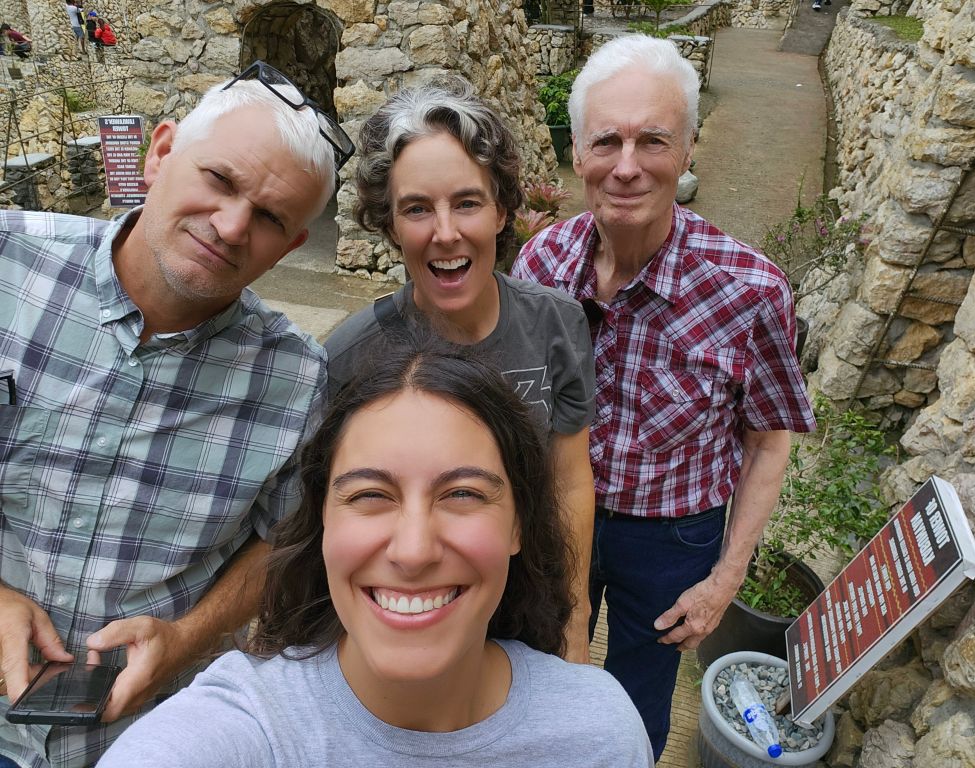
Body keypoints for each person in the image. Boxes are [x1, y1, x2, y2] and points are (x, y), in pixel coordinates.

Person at [0, 61, 354, 768]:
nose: (230, 226)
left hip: (150, 740)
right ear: (160, 152)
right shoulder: (10, 264)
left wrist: (187, 638)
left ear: (291, 247)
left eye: (270, 218)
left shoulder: (293, 379)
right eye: (219, 179)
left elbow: (285, 538)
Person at [96, 336, 654, 767]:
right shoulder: (246, 727)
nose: (413, 550)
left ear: (518, 526)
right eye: (369, 495)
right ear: (323, 521)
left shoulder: (597, 733)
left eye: (463, 494)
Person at [513, 34, 816, 760]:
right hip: (555, 514)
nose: (627, 166)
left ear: (688, 150)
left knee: (639, 703)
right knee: (542, 677)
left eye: (653, 140)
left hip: (672, 536)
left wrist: (725, 581)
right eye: (606, 141)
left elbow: (768, 442)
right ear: (577, 152)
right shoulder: (540, 264)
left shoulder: (749, 291)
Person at [323, 78, 597, 664]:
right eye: (417, 209)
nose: (445, 233)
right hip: (412, 610)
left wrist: (574, 619)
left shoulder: (556, 325)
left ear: (502, 212)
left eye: (467, 203)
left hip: (527, 611)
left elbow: (569, 480)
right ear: (390, 226)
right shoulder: (352, 359)